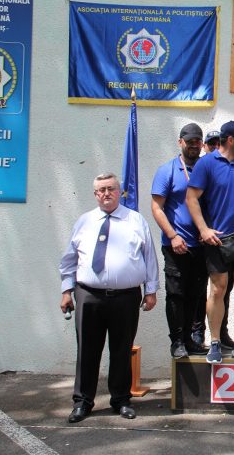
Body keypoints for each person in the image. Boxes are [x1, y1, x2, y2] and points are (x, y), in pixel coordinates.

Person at [59, 173, 158, 423]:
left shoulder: (135, 220)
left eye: (111, 189)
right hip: (88, 295)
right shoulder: (84, 221)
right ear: (95, 194)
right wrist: (66, 290)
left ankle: (121, 400)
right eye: (101, 190)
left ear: (119, 191)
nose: (106, 193)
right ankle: (82, 402)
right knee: (87, 351)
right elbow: (69, 259)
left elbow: (149, 257)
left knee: (121, 350)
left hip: (125, 297)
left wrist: (151, 290)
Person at [186, 120, 234, 363]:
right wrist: (203, 229)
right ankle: (215, 342)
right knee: (217, 290)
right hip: (218, 240)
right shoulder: (207, 163)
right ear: (230, 140)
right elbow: (191, 197)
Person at [150, 123, 209, 359]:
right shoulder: (167, 170)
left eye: (198, 141)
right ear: (180, 142)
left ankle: (189, 339)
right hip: (176, 245)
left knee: (196, 294)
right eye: (189, 141)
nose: (194, 145)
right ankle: (177, 341)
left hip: (202, 245)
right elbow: (157, 207)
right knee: (176, 294)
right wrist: (173, 236)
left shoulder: (207, 169)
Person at [190, 129, 221, 346]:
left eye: (219, 144)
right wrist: (202, 230)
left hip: (220, 238)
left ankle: (220, 334)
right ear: (204, 146)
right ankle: (197, 332)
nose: (215, 148)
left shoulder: (226, 168)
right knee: (199, 289)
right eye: (211, 144)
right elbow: (193, 203)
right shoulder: (201, 168)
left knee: (220, 290)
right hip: (198, 237)